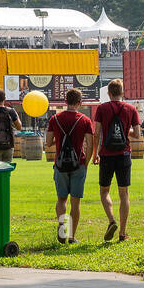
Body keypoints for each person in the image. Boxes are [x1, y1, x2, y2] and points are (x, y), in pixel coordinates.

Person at [92, 78, 140, 242]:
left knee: (104, 190)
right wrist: (125, 131)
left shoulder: (102, 108)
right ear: (122, 92)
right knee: (124, 193)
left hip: (106, 154)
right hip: (124, 154)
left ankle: (112, 221)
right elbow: (138, 134)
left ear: (109, 93)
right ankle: (123, 233)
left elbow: (97, 133)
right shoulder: (131, 109)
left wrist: (94, 153)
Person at [46, 90, 95, 244]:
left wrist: (60, 140)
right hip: (78, 164)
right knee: (75, 202)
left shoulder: (55, 118)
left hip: (60, 165)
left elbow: (48, 143)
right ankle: (72, 237)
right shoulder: (85, 120)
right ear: (79, 102)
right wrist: (85, 164)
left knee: (61, 199)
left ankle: (61, 225)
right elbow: (90, 145)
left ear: (65, 101)